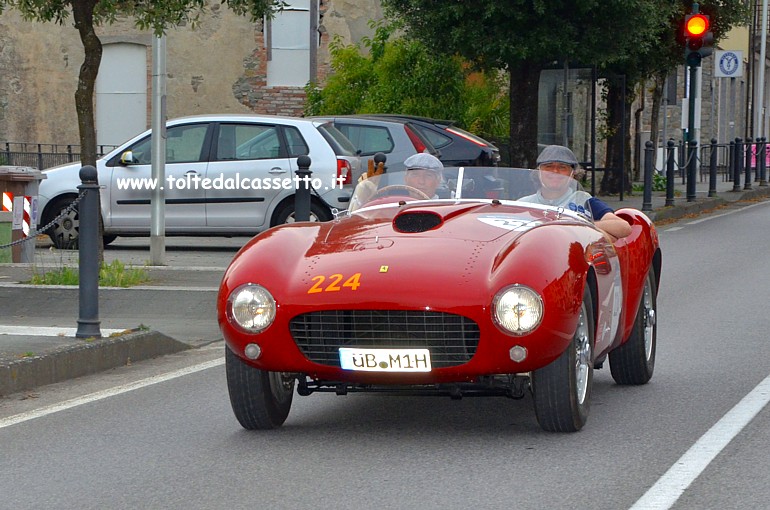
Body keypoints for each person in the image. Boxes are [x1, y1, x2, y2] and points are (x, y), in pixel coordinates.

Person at [519, 145, 632, 240]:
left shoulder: (583, 200)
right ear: (539, 172)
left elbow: (623, 227)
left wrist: (577, 226)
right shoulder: (524, 204)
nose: (555, 172)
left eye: (562, 167)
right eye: (548, 167)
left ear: (572, 173)